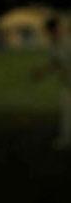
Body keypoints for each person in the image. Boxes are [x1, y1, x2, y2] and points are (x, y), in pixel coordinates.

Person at [33, 17, 71, 150]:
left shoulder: (67, 42)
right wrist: (41, 72)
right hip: (67, 83)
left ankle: (66, 139)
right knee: (67, 110)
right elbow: (55, 63)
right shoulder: (55, 44)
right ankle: (66, 138)